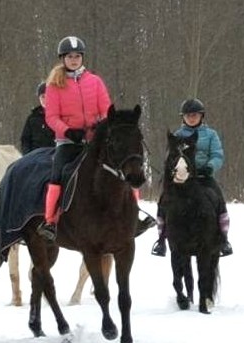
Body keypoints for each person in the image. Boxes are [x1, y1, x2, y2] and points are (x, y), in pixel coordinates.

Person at [38, 36, 156, 242]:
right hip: (68, 142)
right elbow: (51, 117)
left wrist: (100, 125)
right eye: (70, 56)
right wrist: (67, 131)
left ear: (82, 58)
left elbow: (106, 110)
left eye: (77, 56)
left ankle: (134, 215)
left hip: (96, 139)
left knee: (124, 167)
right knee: (58, 173)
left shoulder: (95, 81)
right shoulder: (54, 86)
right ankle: (51, 221)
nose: (74, 60)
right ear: (63, 58)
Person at [152, 98, 233, 258]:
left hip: (204, 176)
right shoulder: (177, 135)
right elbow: (170, 158)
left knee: (219, 199)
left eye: (195, 115)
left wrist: (210, 166)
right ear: (183, 117)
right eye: (188, 115)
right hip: (182, 179)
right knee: (163, 200)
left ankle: (223, 239)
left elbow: (217, 154)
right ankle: (161, 239)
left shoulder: (211, 135)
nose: (191, 118)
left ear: (201, 116)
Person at [18, 81, 55, 154]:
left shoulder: (61, 116)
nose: (45, 99)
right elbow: (25, 140)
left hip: (55, 156)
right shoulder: (32, 118)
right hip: (35, 157)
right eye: (42, 97)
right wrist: (27, 156)